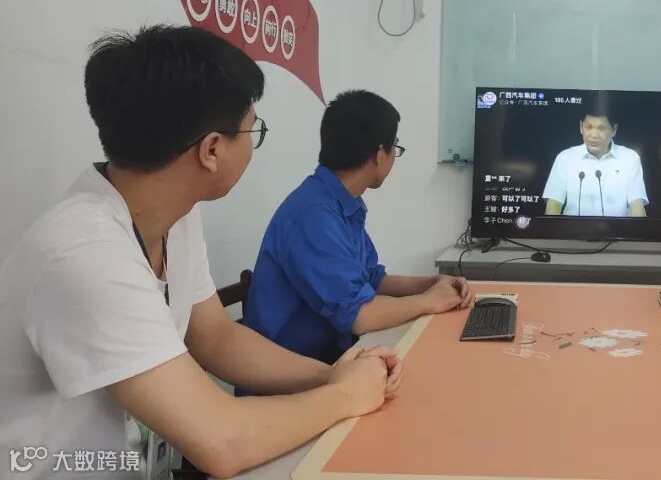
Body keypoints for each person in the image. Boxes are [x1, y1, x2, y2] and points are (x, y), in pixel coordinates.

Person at [0, 26, 401, 479]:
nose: (253, 142)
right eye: (253, 129)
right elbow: (220, 442)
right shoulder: (86, 252)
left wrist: (331, 375)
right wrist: (345, 396)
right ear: (211, 149)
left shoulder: (174, 216)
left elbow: (216, 337)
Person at [243, 89, 474, 367]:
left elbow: (372, 279)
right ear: (379, 154)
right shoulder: (313, 216)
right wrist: (428, 301)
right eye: (394, 147)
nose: (394, 156)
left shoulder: (340, 202)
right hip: (293, 373)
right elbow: (360, 316)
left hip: (331, 358)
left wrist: (432, 284)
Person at [543, 105, 648, 217]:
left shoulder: (630, 158)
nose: (593, 135)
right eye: (588, 127)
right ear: (581, 127)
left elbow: (637, 207)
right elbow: (553, 205)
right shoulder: (565, 158)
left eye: (601, 128)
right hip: (573, 228)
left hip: (618, 228)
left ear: (614, 130)